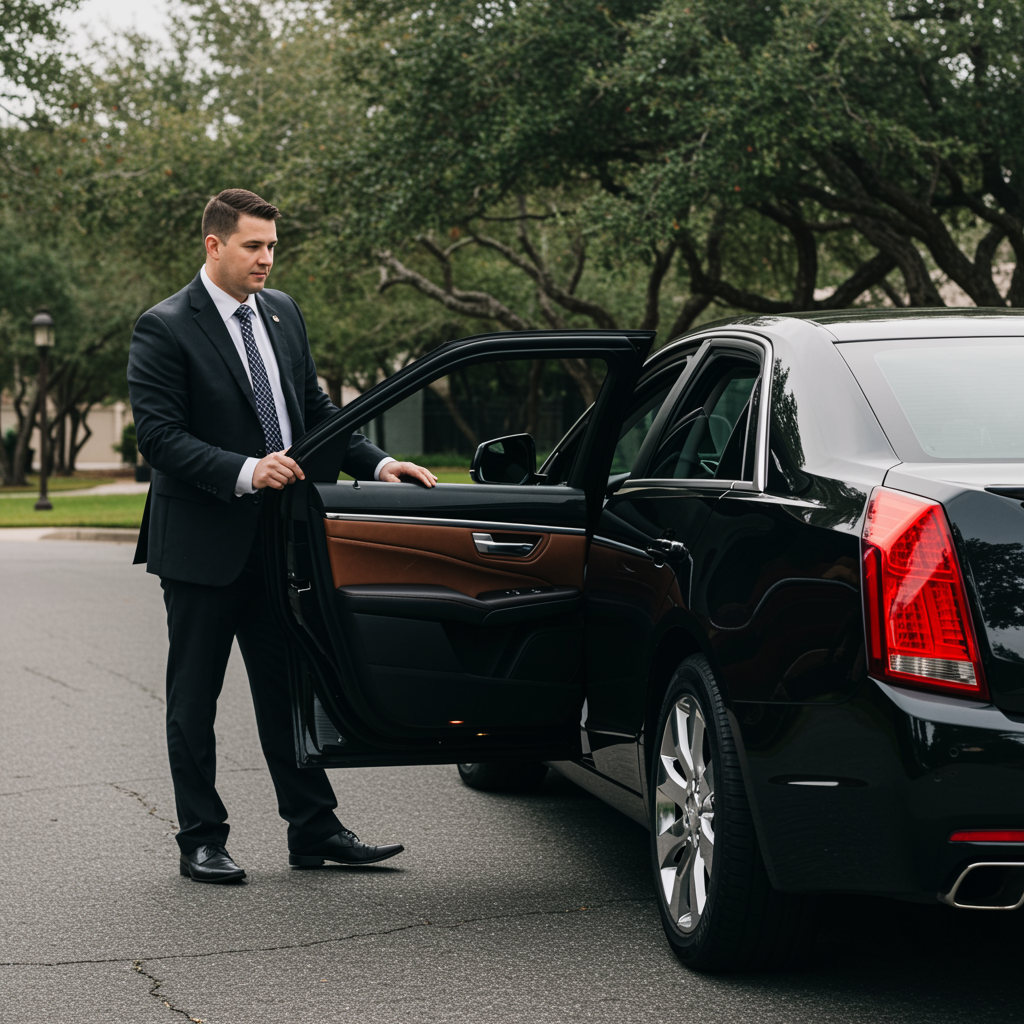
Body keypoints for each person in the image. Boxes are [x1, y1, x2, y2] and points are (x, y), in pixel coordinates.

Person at [127, 188, 437, 883]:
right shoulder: (165, 326)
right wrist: (244, 469)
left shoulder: (284, 312)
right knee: (193, 698)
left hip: (280, 544)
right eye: (253, 246)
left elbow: (314, 410)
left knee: (290, 691)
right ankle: (201, 838)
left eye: (272, 245)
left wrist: (380, 462)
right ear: (214, 245)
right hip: (203, 547)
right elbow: (159, 436)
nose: (267, 258)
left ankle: (314, 829)